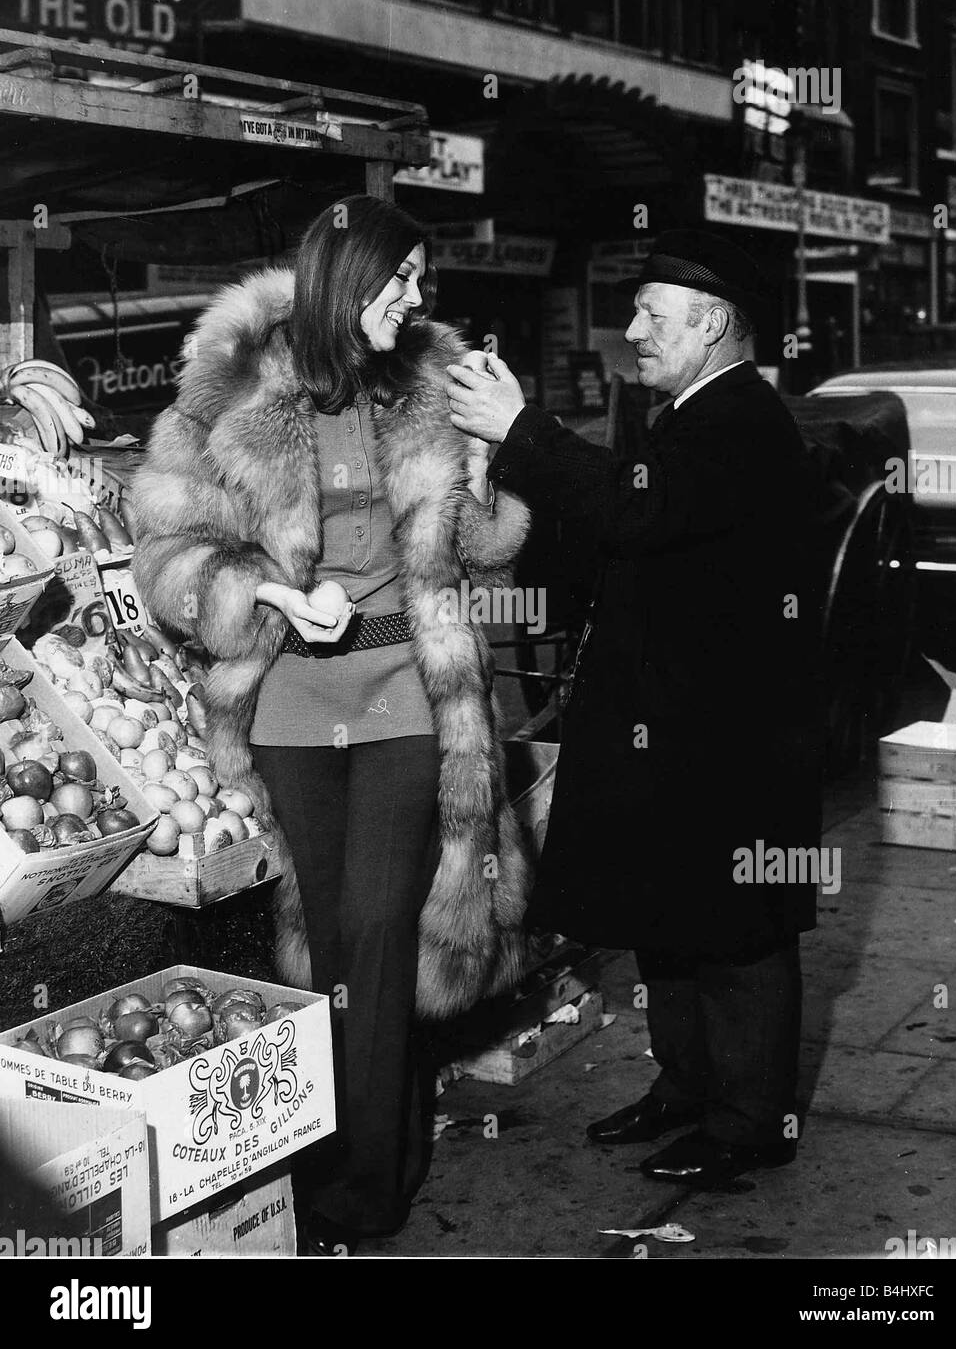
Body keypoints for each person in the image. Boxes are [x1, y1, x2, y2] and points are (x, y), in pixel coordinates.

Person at [131, 195, 532, 1252]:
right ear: (344, 283)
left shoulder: (435, 380)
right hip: (294, 705)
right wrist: (268, 596)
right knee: (324, 939)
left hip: (412, 688)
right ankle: (362, 1146)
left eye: (420, 281)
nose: (417, 297)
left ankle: (358, 1193)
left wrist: (493, 466)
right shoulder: (227, 390)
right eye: (398, 280)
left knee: (379, 923)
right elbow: (166, 563)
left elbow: (488, 549)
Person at [446, 229, 824, 1187]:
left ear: (711, 323)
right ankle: (687, 1089)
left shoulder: (740, 419)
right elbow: (632, 534)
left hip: (730, 739)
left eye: (651, 315)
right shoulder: (698, 413)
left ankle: (747, 1123)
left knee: (737, 935)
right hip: (685, 730)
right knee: (675, 918)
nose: (631, 331)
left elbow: (638, 510)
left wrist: (522, 430)